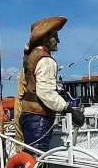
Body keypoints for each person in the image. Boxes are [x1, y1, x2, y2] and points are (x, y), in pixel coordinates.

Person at [16, 16, 85, 150]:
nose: (58, 40)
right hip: (38, 118)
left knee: (30, 159)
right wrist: (69, 110)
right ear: (44, 38)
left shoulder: (31, 56)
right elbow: (45, 93)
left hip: (28, 115)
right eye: (54, 36)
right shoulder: (46, 60)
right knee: (37, 158)